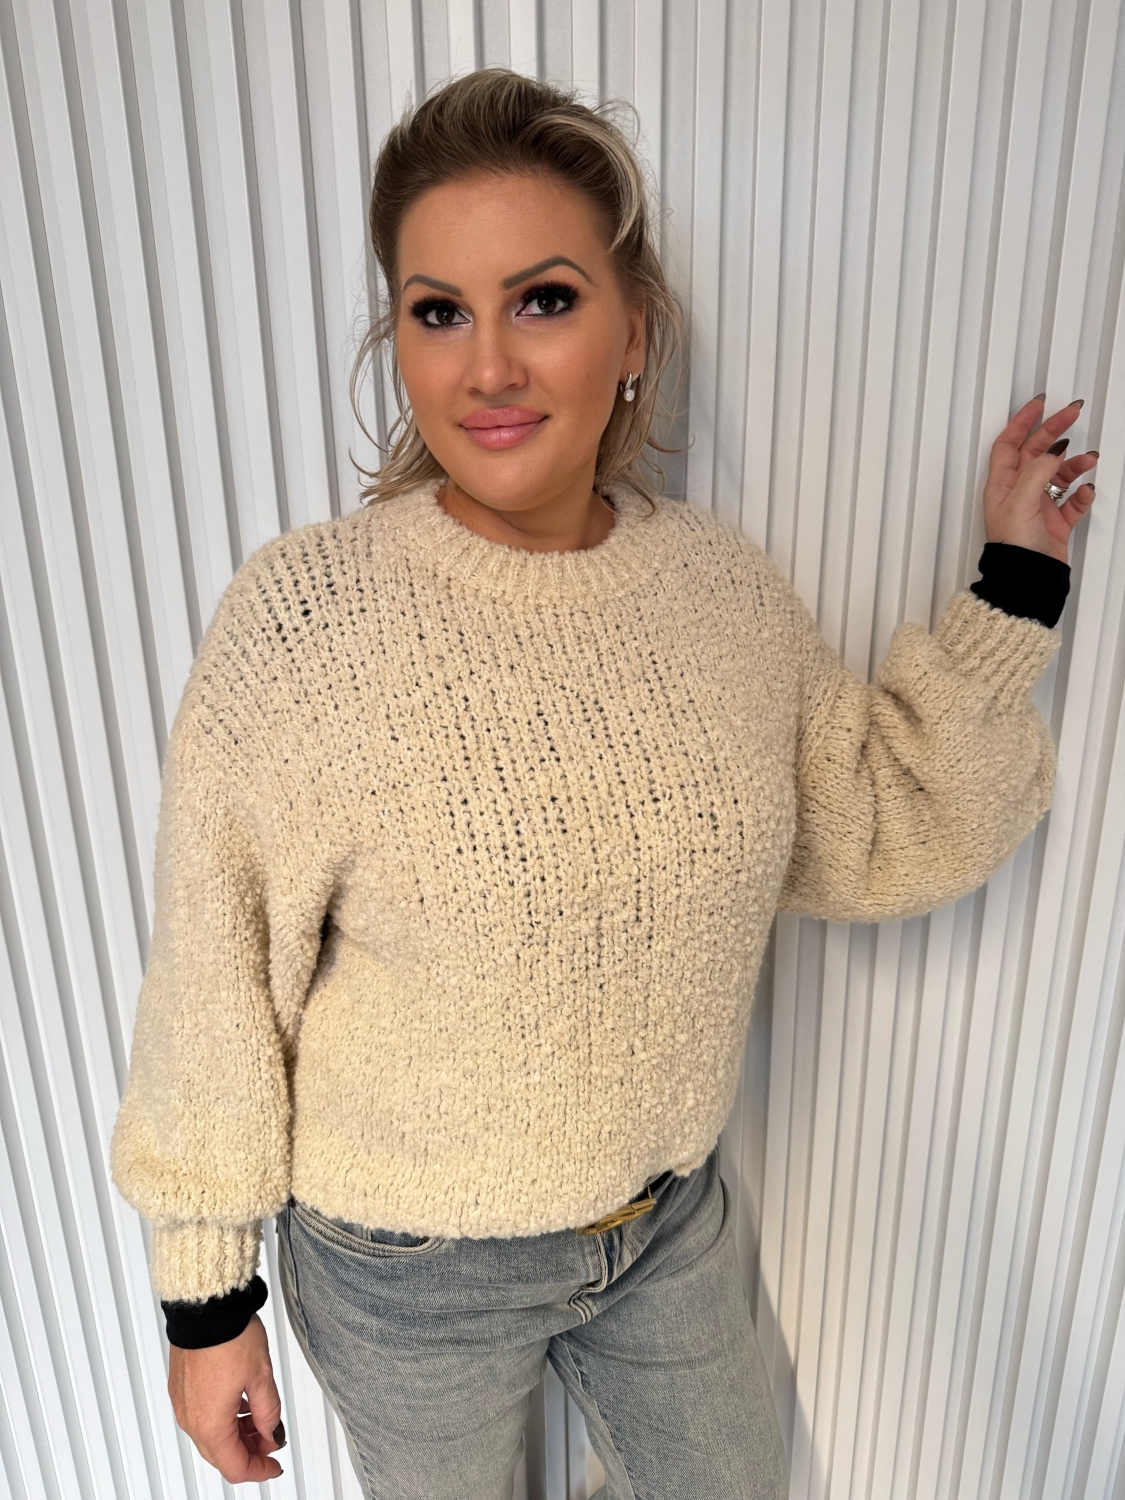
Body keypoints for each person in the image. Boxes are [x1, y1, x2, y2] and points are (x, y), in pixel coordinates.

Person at [109, 67, 1095, 1500]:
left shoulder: (718, 595)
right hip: (407, 1268)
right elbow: (215, 971)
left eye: (544, 300)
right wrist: (207, 1305)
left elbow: (873, 826)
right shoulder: (308, 622)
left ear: (634, 330)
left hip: (665, 1224)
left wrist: (1012, 588)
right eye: (437, 311)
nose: (487, 368)